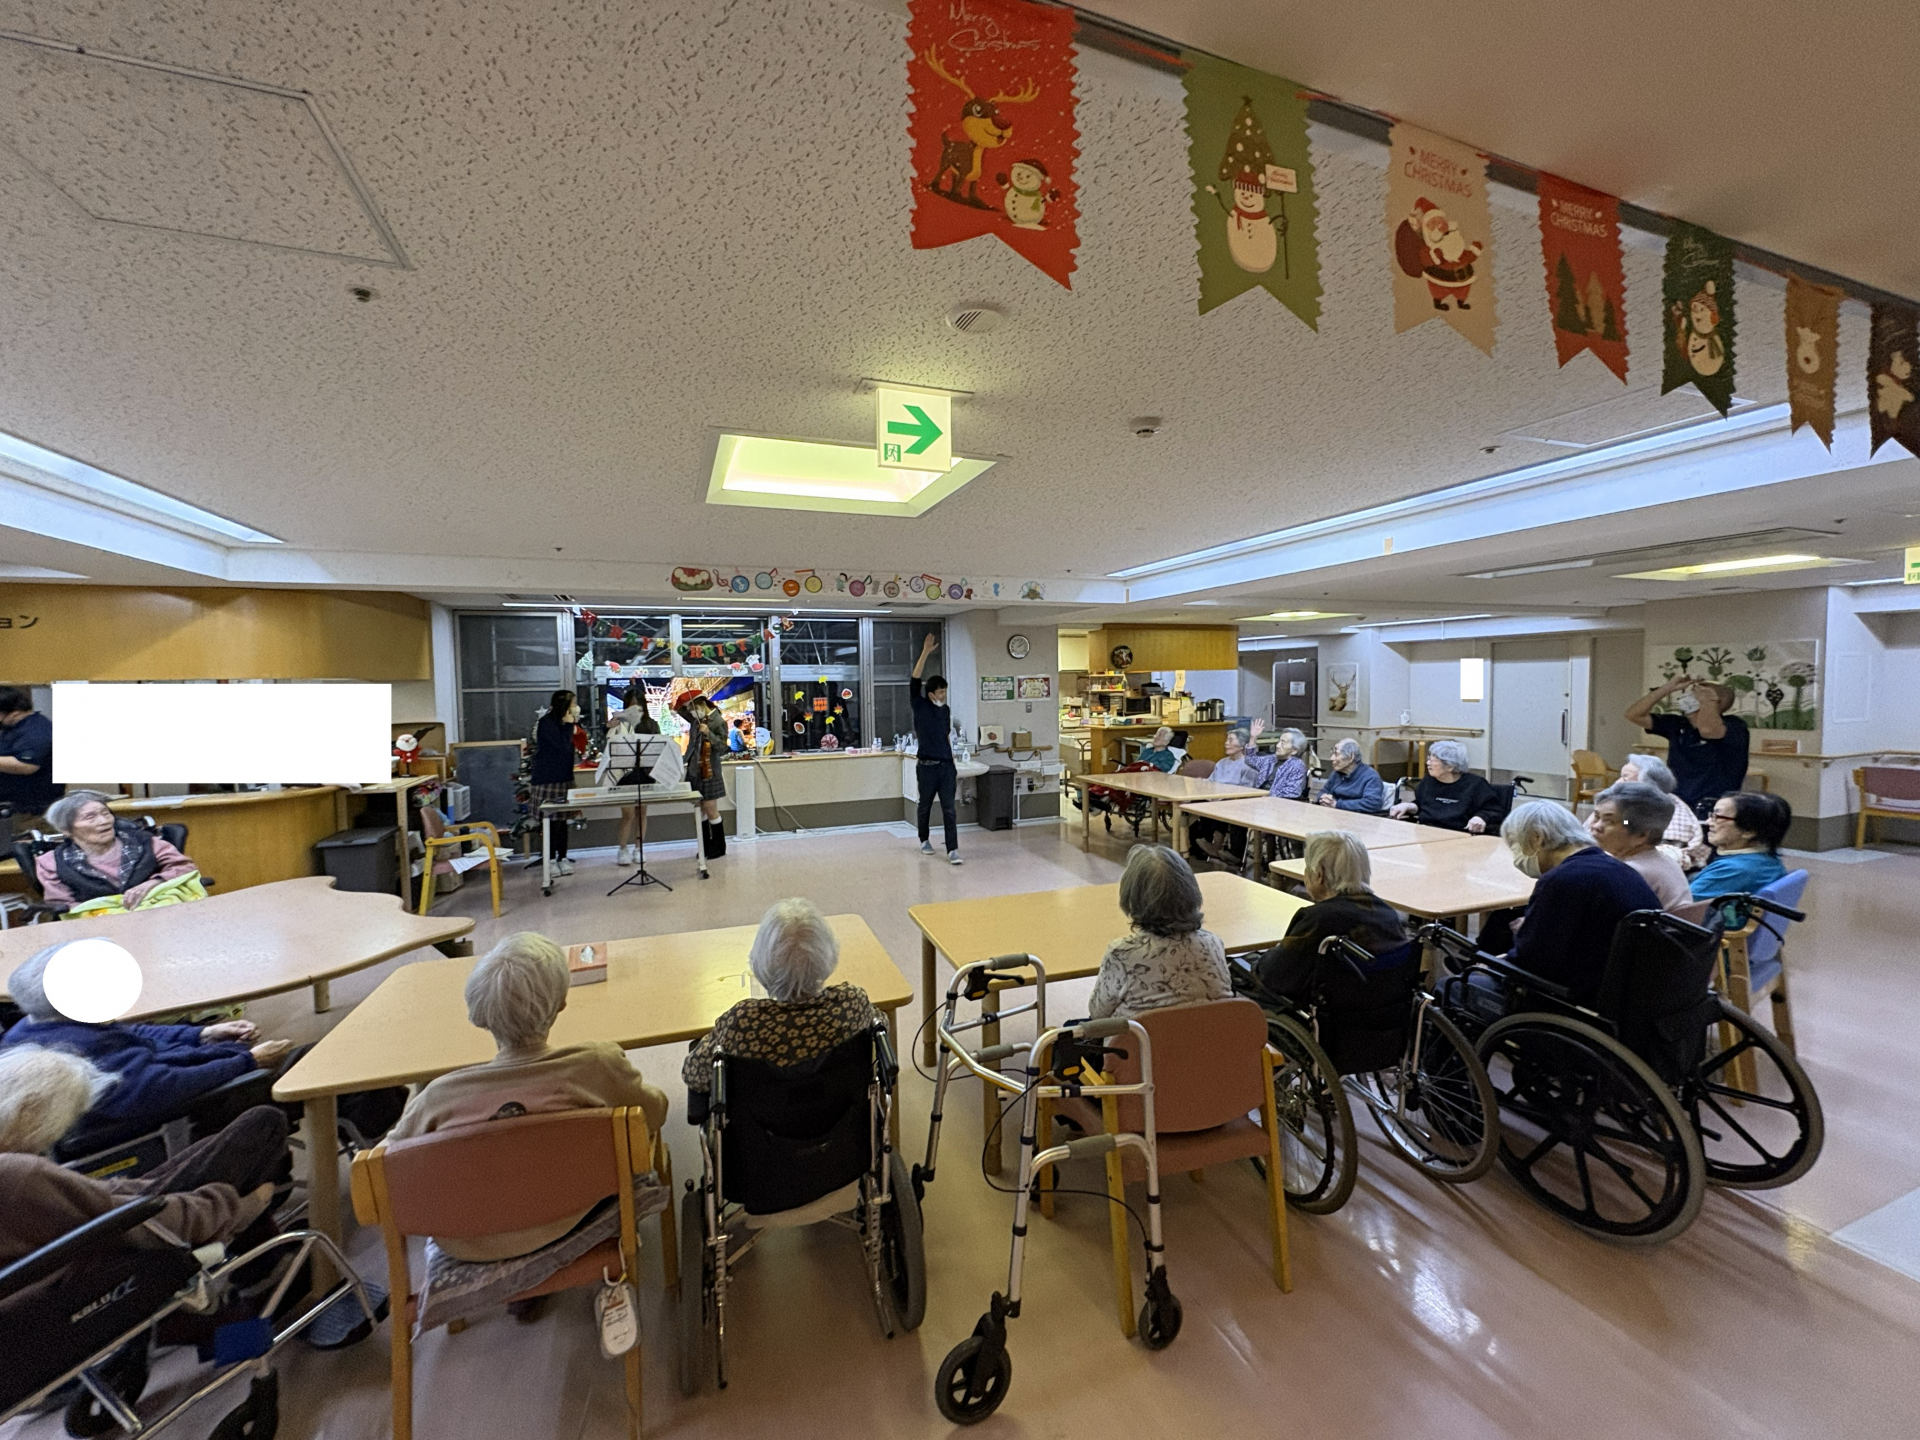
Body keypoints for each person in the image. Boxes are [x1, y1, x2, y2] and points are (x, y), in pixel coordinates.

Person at [389, 932, 670, 1261]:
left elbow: (387, 1170)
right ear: (561, 1002)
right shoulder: (595, 1066)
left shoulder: (438, 1097)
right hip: (576, 1216)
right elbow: (653, 1115)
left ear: (479, 1015)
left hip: (470, 1240)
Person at [0, 1046, 284, 1267]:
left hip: (93, 1241)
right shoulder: (20, 1176)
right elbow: (136, 1222)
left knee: (224, 1142)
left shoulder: (19, 1174)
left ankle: (262, 1263)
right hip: (110, 1265)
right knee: (263, 1124)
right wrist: (238, 1208)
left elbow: (94, 1198)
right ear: (31, 1112)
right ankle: (262, 1266)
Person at [1, 943, 294, 1137]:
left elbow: (131, 1033)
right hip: (151, 1117)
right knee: (297, 1066)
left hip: (148, 1083)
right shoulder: (72, 1052)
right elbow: (165, 1085)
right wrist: (248, 1062)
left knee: (232, 1049)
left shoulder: (35, 1024)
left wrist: (200, 1034)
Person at [683, 898, 879, 1094]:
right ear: (828, 953)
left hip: (760, 1113)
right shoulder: (853, 1004)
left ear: (762, 960)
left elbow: (694, 1075)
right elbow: (880, 1034)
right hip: (838, 1110)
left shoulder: (742, 1023)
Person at [1496, 801, 1660, 1003]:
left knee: (1467, 981)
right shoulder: (1620, 869)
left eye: (1515, 845)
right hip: (1631, 993)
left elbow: (1530, 961)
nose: (1515, 855)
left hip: (1580, 998)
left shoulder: (1561, 880)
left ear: (1537, 837)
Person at [1254, 831, 1407, 999]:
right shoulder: (1388, 915)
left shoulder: (1319, 919)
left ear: (1319, 874)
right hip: (1384, 1007)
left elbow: (1272, 975)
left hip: (1330, 1009)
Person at [1088, 845, 1232, 1020]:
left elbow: (1097, 1012)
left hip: (1143, 1038)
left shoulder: (1122, 954)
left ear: (1132, 896)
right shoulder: (1213, 943)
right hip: (1209, 1036)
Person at [35, 790, 200, 910]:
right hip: (96, 925)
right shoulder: (51, 862)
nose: (104, 821)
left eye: (106, 813)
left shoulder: (146, 842)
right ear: (66, 829)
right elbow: (63, 905)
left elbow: (185, 868)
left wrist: (154, 883)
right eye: (90, 817)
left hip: (159, 914)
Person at [1625, 678, 1750, 818]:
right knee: (1627, 821)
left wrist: (1709, 701)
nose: (1690, 697)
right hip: (1677, 802)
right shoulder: (1677, 724)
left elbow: (1707, 730)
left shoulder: (1734, 726)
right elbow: (1633, 715)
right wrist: (1667, 688)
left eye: (1698, 694)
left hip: (1713, 806)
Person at [1587, 783, 1693, 912]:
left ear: (1641, 835)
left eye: (1610, 821)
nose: (1596, 826)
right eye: (1596, 816)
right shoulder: (1663, 860)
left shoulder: (1629, 873)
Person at [598, 700, 676, 867]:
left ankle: (639, 848)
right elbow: (607, 746)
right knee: (628, 814)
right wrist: (607, 727)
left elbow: (659, 747)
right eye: (631, 705)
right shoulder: (619, 723)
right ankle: (623, 848)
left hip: (644, 773)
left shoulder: (650, 723)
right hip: (624, 775)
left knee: (642, 812)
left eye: (638, 706)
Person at [909, 634, 961, 865]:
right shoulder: (920, 705)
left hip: (946, 766)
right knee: (925, 806)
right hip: (927, 766)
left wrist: (952, 762)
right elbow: (915, 679)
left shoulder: (945, 710)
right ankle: (924, 840)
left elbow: (946, 736)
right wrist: (926, 652)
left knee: (949, 809)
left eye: (945, 692)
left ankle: (953, 849)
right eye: (940, 692)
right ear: (931, 694)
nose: (943, 696)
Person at [1690, 791, 1790, 903]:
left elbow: (1680, 906)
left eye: (1717, 817)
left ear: (1749, 830)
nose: (1708, 822)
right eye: (1711, 815)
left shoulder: (1733, 869)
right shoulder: (1767, 858)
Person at [1389, 740, 1504, 833]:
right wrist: (1408, 805)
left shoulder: (1476, 785)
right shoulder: (1428, 781)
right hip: (1427, 832)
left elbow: (1494, 811)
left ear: (1450, 767)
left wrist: (1480, 817)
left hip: (1460, 835)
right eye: (1429, 759)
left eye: (1433, 760)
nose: (1428, 763)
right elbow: (1423, 804)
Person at [1619, 752, 1706, 868]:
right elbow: (1624, 823)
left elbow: (1663, 853)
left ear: (1646, 782)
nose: (1618, 782)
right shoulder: (1629, 805)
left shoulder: (1669, 807)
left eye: (1625, 777)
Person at [529, 689, 582, 877]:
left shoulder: (568, 723)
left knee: (562, 821)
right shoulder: (546, 723)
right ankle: (550, 859)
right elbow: (560, 746)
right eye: (573, 703)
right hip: (547, 779)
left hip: (564, 777)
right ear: (564, 705)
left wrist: (571, 725)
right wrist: (568, 725)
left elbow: (576, 745)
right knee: (550, 822)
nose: (575, 707)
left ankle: (563, 858)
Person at [674, 687, 730, 860]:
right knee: (699, 809)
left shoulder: (717, 721)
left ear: (701, 704)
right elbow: (679, 709)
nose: (691, 711)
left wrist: (709, 734)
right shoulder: (695, 720)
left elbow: (722, 748)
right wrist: (684, 700)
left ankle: (719, 847)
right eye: (689, 708)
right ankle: (705, 846)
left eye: (693, 707)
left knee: (710, 808)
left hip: (709, 770)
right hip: (694, 770)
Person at [0, 683, 61, 819]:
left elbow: (27, 765)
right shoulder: (12, 727)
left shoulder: (36, 731)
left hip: (28, 810)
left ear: (13, 712)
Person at [1317, 739, 1389, 813]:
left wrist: (1338, 804)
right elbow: (1323, 791)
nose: (1331, 758)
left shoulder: (1370, 776)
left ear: (1351, 757)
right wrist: (1323, 797)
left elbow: (1373, 803)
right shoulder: (1336, 773)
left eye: (1336, 754)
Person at [1261, 726, 1311, 801]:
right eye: (1278, 742)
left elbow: (1292, 792)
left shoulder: (1297, 765)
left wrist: (1267, 796)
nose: (1277, 746)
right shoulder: (1273, 759)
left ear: (1294, 750)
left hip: (1278, 802)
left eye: (1283, 743)